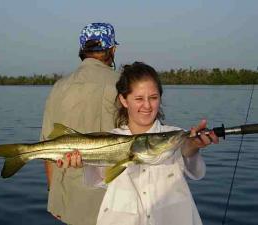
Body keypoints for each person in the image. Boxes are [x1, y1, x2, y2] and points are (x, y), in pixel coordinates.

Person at [60, 62, 219, 225]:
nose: (147, 105)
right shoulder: (111, 138)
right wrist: (82, 162)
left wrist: (193, 146)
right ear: (124, 99)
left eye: (153, 98)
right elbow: (102, 178)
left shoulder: (174, 134)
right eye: (139, 98)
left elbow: (191, 162)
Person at [40, 22, 120, 225]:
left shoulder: (59, 87)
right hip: (116, 202)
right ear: (112, 49)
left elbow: (48, 148)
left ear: (82, 49)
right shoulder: (124, 83)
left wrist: (54, 194)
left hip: (68, 200)